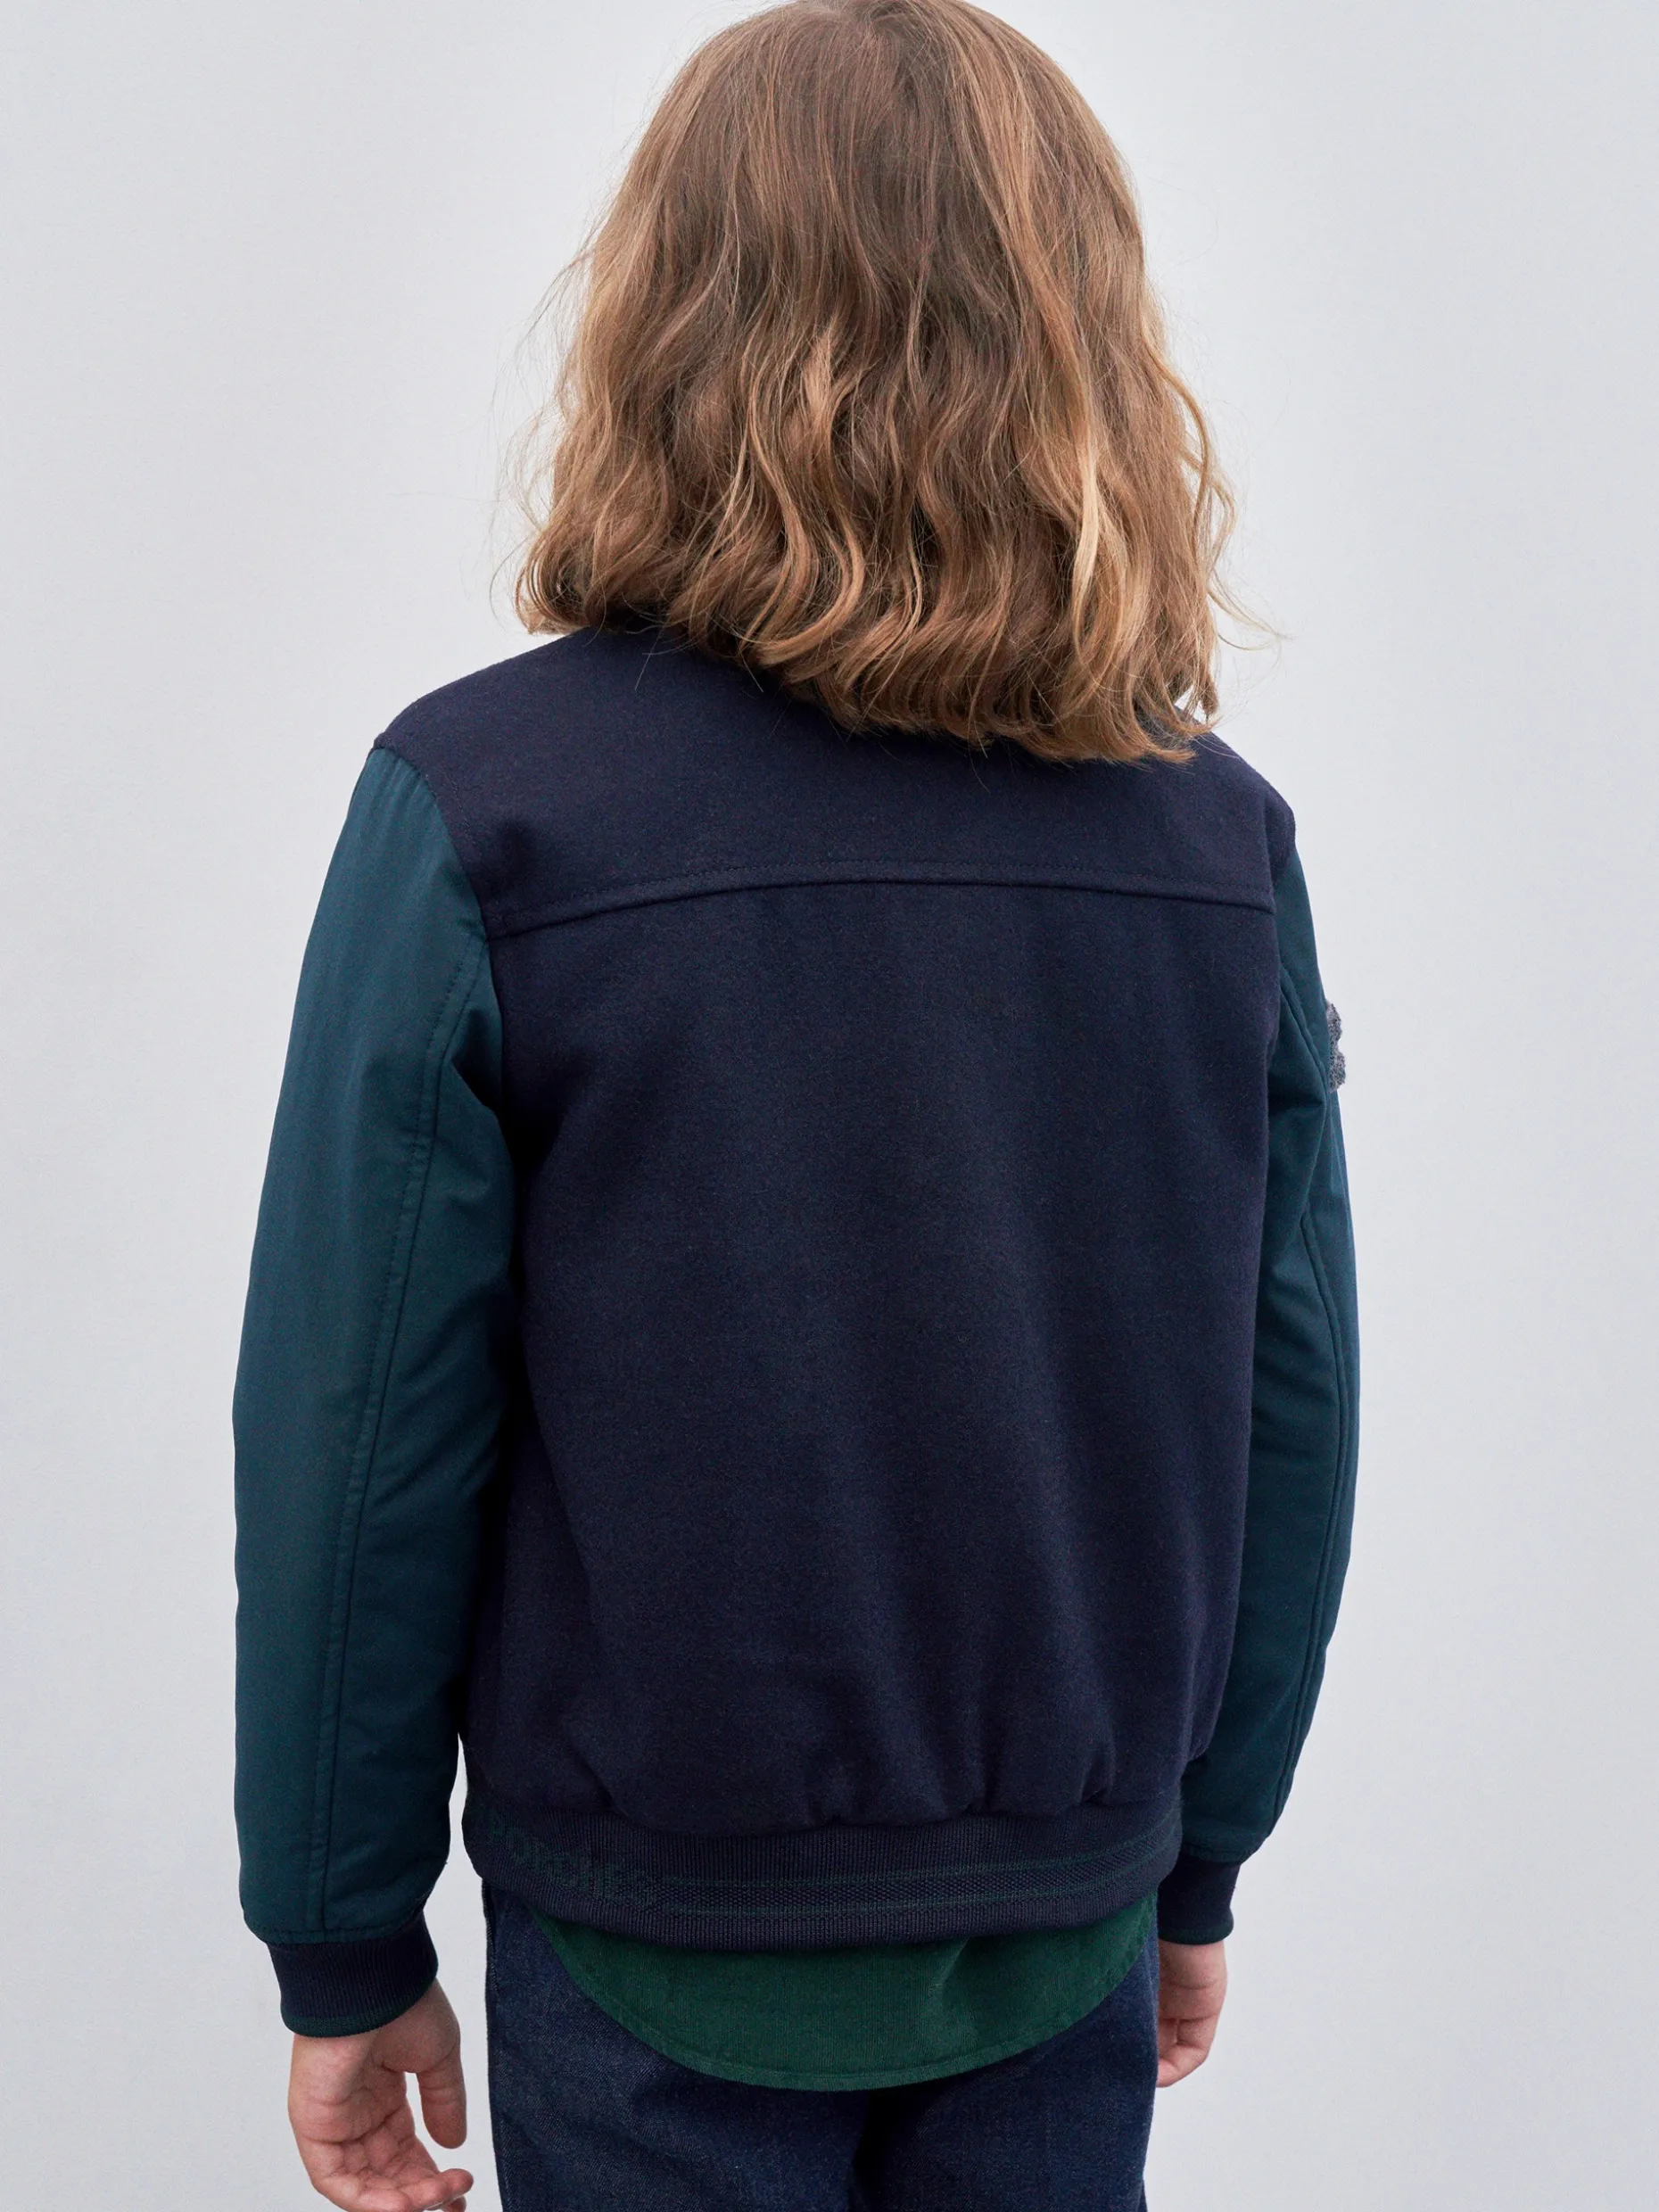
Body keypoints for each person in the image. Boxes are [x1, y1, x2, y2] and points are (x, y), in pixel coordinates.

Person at [232, 2, 1359, 2206]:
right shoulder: (1216, 848)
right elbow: (1291, 1392)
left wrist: (342, 1930)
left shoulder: (482, 810)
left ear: (667, 321)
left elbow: (358, 1432)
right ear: (1081, 343)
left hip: (649, 1929)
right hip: (1061, 1914)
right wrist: (1199, 1847)